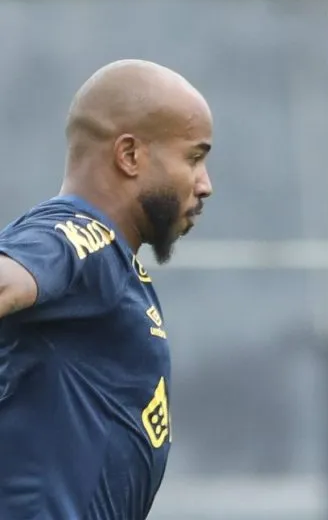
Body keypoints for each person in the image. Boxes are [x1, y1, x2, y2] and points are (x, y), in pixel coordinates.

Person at [0, 59, 213, 519]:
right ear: (130, 155)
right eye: (193, 158)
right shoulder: (83, 237)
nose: (205, 184)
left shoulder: (111, 261)